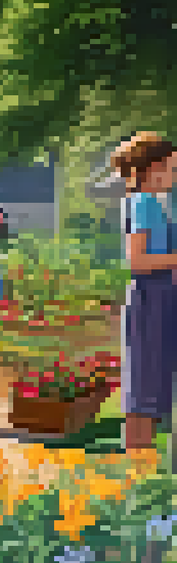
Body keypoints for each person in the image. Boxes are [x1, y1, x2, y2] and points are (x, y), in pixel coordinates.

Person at [111, 132, 177, 452]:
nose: (175, 176)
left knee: (149, 386)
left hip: (160, 296)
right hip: (151, 297)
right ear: (152, 169)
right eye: (172, 168)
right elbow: (137, 260)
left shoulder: (148, 202)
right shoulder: (145, 202)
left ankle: (140, 474)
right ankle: (137, 472)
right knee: (143, 390)